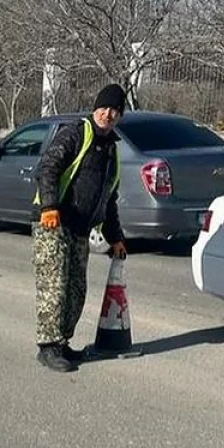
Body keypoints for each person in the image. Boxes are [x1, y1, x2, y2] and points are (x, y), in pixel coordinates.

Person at [32, 83, 129, 373]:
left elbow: (109, 197)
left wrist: (116, 238)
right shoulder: (75, 133)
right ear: (95, 108)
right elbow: (47, 169)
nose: (108, 114)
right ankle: (47, 347)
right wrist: (49, 207)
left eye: (115, 110)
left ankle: (62, 343)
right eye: (104, 108)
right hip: (54, 223)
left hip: (80, 229)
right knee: (55, 286)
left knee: (76, 289)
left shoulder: (112, 149)